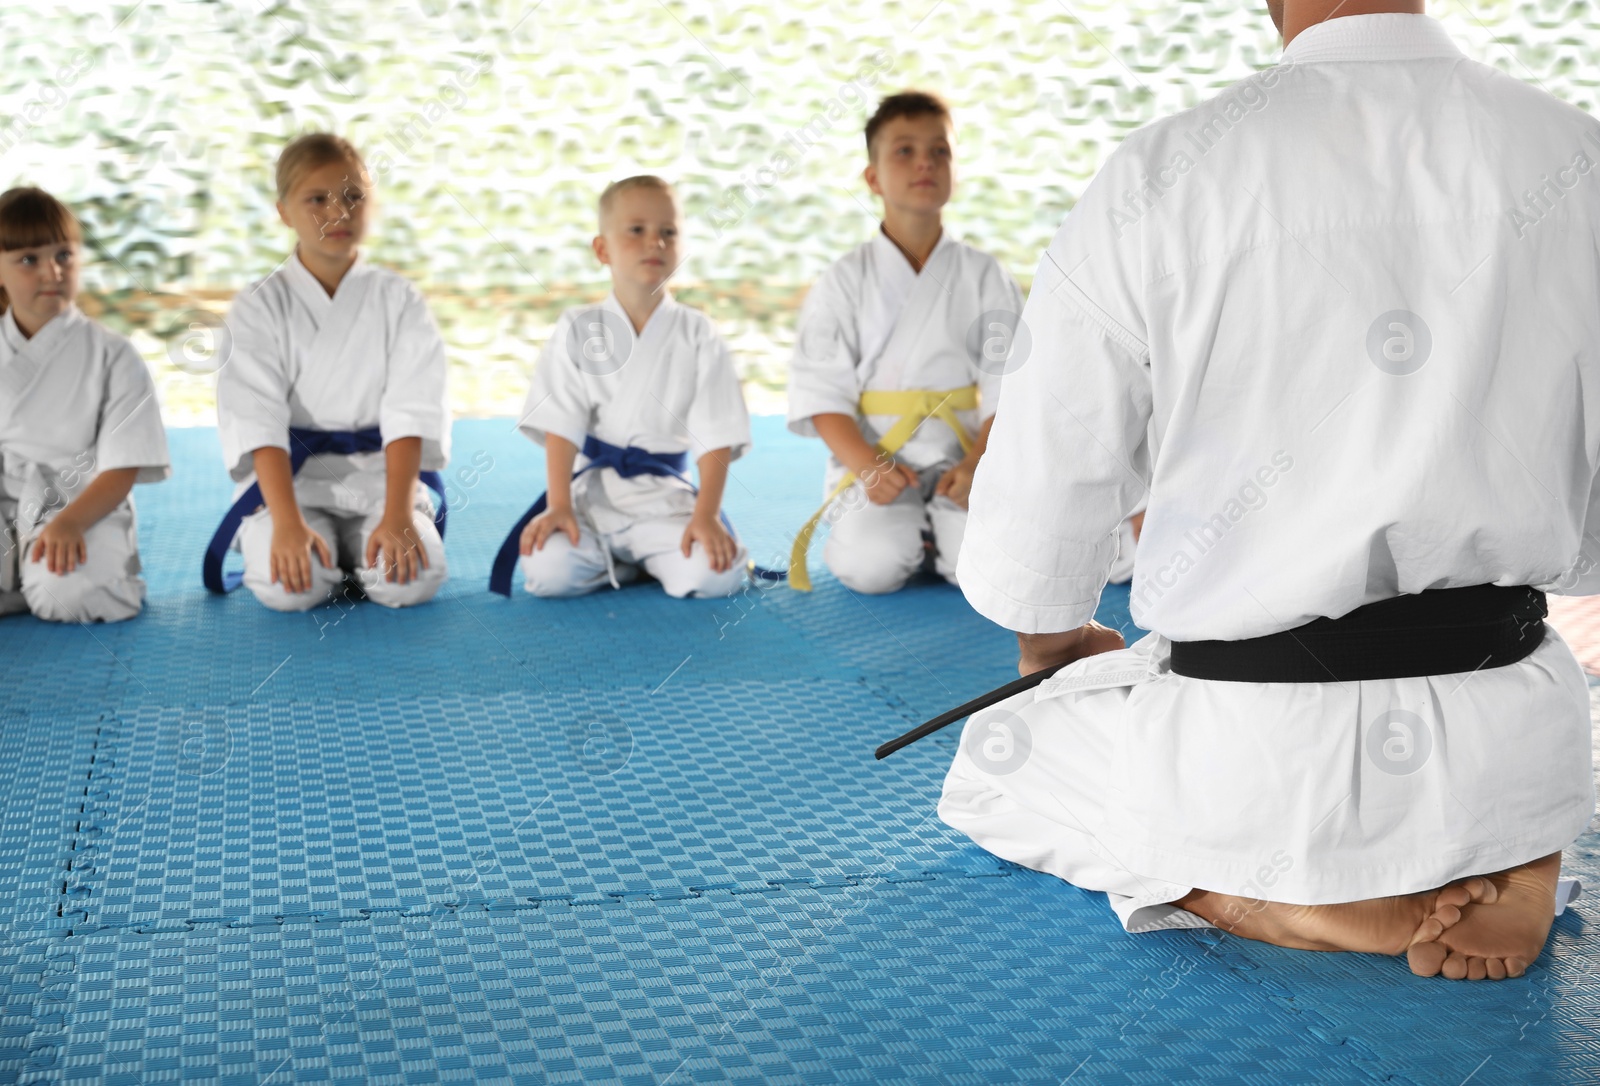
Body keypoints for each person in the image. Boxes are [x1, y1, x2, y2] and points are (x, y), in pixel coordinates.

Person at [938, 1, 1596, 982]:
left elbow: (1052, 468)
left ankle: (1269, 896)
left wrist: (1051, 635)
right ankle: (1518, 842)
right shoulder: (1574, 155)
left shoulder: (1165, 171)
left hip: (1261, 747)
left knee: (1000, 759)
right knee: (1511, 721)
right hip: (1513, 715)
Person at [784, 90, 1141, 593]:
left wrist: (977, 464)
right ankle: (914, 536)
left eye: (940, 151)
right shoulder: (844, 280)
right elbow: (821, 392)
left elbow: (1006, 387)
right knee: (871, 568)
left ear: (954, 168)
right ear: (872, 177)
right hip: (877, 462)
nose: (925, 162)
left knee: (994, 572)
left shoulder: (983, 275)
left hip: (964, 460)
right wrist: (867, 466)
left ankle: (936, 536)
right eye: (904, 150)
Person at [207, 133, 450, 611]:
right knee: (290, 589)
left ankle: (359, 555)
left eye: (352, 197)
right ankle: (326, 555)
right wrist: (287, 523)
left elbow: (412, 409)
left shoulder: (398, 299)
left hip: (382, 481)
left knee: (413, 581)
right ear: (283, 212)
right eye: (317, 199)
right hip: (292, 485)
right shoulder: (258, 305)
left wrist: (399, 513)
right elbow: (258, 420)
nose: (338, 212)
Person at [491, 175, 750, 600]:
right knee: (548, 570)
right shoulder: (577, 326)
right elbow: (562, 422)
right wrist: (558, 505)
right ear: (602, 249)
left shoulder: (698, 332)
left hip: (663, 500)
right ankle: (636, 565)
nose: (656, 242)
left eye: (669, 232)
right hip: (592, 499)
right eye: (637, 230)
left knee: (715, 575)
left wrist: (707, 515)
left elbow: (716, 430)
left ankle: (641, 559)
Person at [0, 187, 169, 623]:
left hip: (82, 503)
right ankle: (21, 576)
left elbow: (124, 463)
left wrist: (70, 523)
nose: (51, 272)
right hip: (6, 502)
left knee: (70, 594)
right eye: (28, 259)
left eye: (63, 255)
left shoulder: (113, 354)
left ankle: (47, 577)